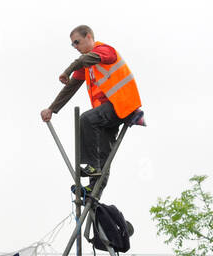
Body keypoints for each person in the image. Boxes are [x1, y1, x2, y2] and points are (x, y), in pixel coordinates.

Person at [39, 24, 143, 178]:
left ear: (88, 36)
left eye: (77, 42)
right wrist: (52, 109)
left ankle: (92, 166)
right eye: (72, 44)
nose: (75, 46)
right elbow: (71, 87)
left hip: (122, 104)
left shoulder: (105, 50)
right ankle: (93, 196)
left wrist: (69, 69)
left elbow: (87, 59)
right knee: (103, 155)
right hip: (109, 112)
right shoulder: (86, 66)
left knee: (86, 119)